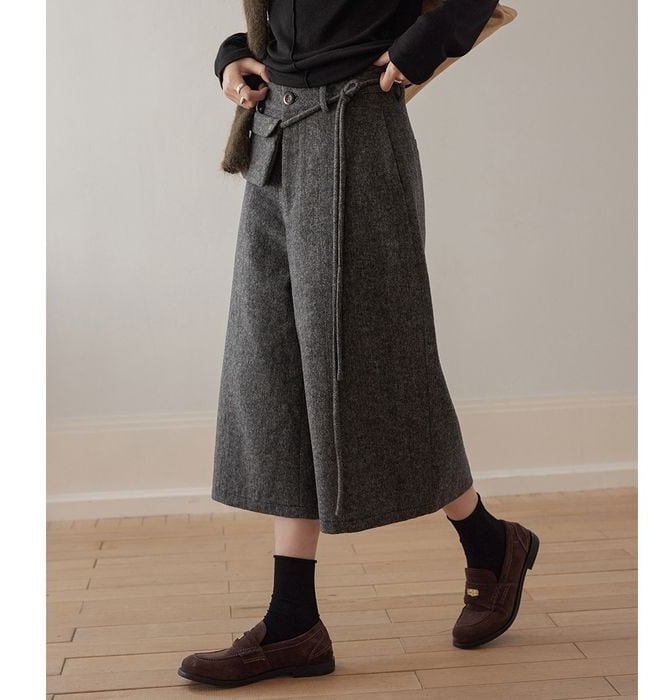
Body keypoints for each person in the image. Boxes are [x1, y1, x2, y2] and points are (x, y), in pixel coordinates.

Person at [179, 0, 539, 688]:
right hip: (277, 134)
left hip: (356, 131)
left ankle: (489, 541)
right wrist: (233, 54)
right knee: (278, 372)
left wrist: (427, 41)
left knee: (377, 367)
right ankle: (295, 620)